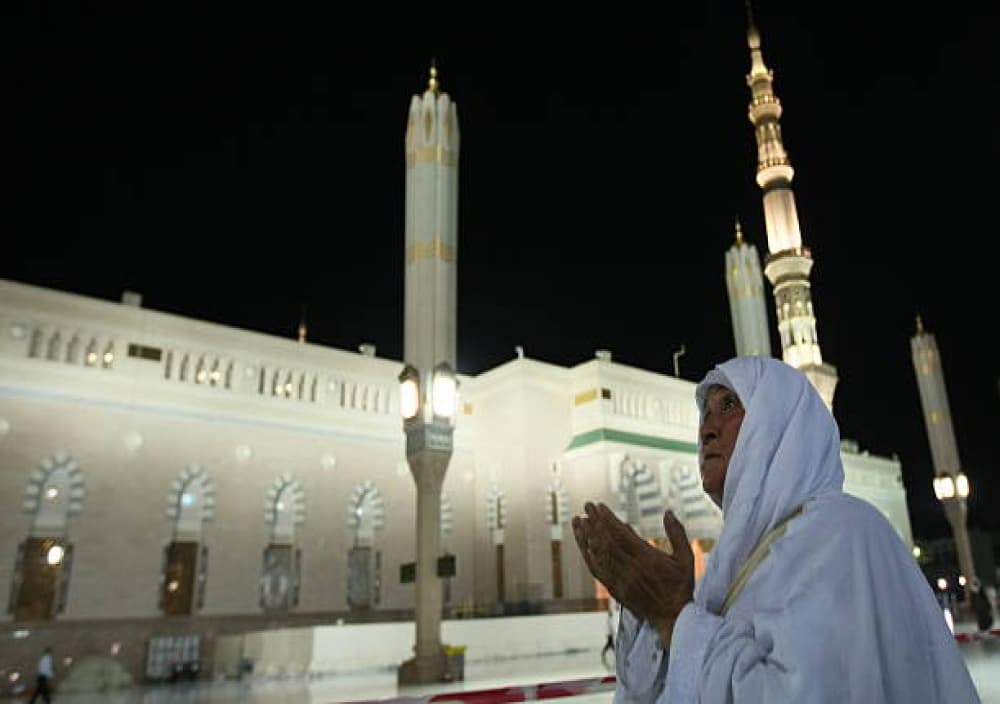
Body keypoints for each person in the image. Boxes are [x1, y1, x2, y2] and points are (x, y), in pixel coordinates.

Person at [572, 356, 980, 703]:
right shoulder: (733, 567)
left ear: (778, 425)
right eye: (705, 414)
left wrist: (675, 618)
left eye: (729, 405)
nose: (706, 429)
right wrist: (651, 614)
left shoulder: (843, 532)